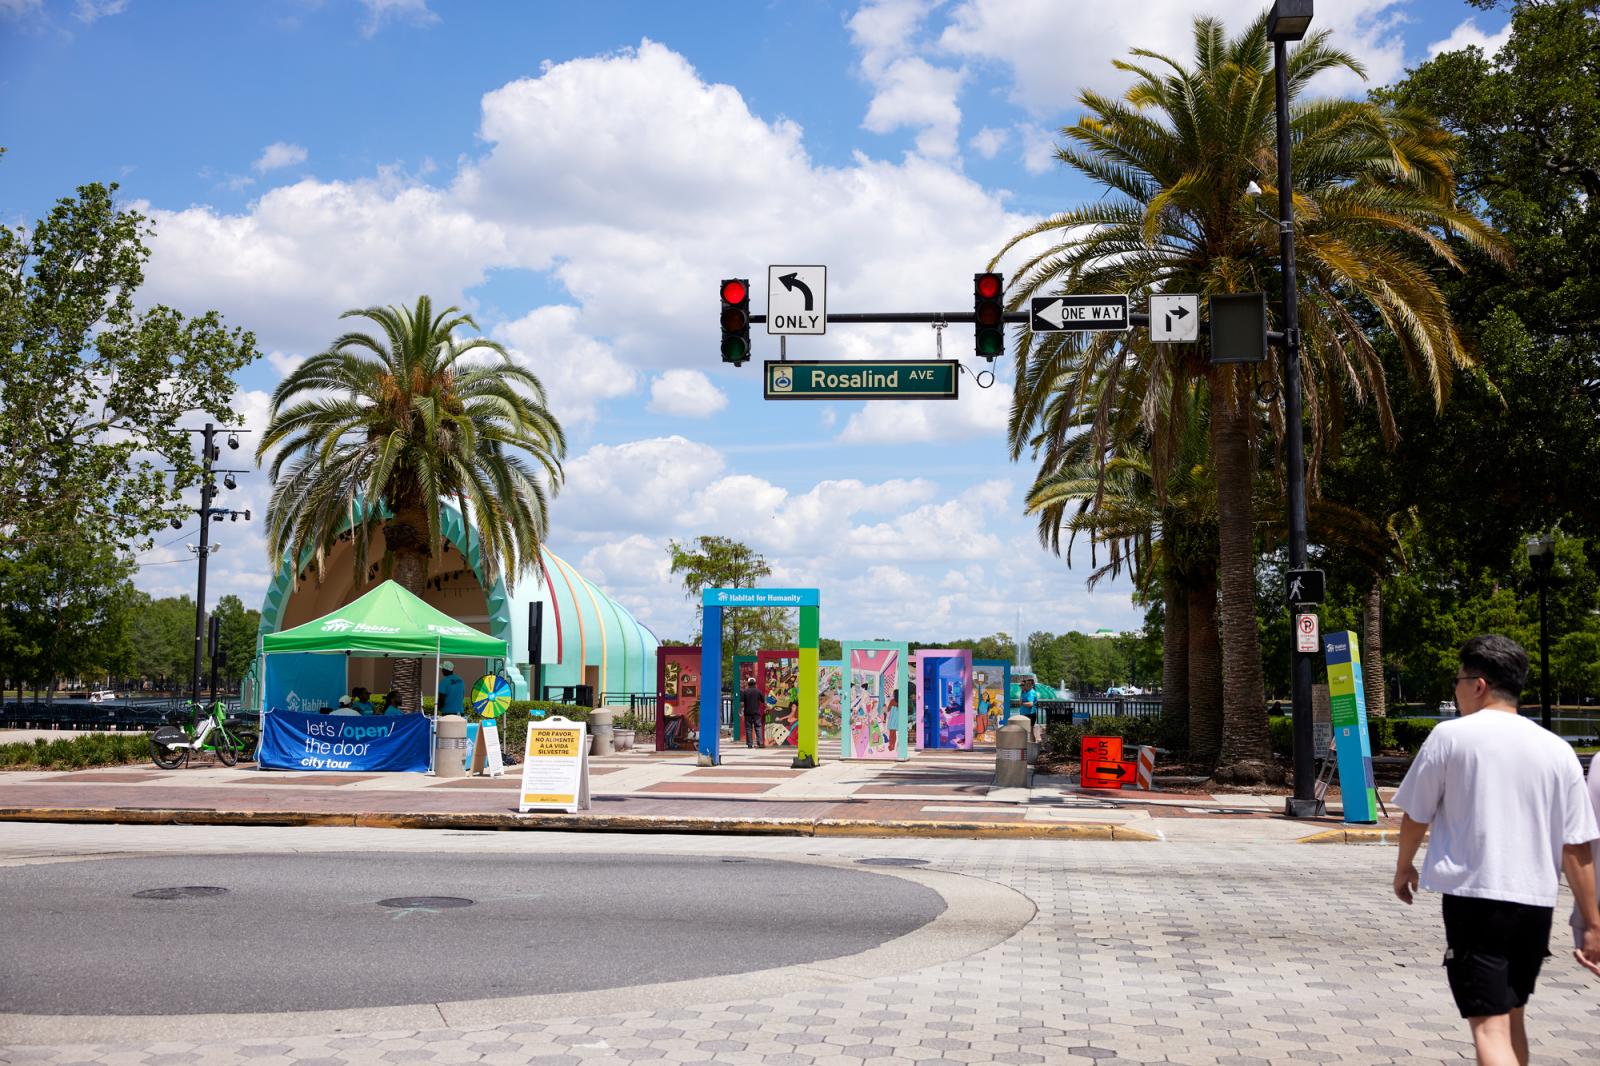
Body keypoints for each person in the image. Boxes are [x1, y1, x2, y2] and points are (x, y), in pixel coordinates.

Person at [1392, 635, 1600, 1066]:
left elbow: (1415, 815)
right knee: (1512, 1016)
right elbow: (1576, 845)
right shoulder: (1558, 750)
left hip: (1475, 901)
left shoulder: (1450, 737)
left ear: (1479, 684)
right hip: (1535, 903)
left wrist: (1404, 867)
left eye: (1458, 681)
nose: (1456, 691)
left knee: (1489, 1028)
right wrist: (1593, 922)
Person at [740, 678, 765, 748]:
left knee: (748, 728)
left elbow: (742, 703)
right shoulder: (758, 691)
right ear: (755, 683)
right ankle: (760, 743)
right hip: (756, 713)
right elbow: (763, 701)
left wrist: (741, 709)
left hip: (747, 713)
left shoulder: (745, 692)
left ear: (748, 684)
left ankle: (749, 744)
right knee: (758, 727)